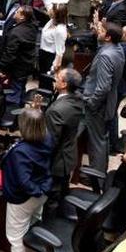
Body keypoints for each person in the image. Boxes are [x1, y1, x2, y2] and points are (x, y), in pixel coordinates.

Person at [0, 103, 53, 252]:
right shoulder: (47, 139)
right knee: (33, 225)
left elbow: (23, 181)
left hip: (24, 198)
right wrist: (36, 113)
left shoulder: (21, 152)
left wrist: (34, 191)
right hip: (42, 192)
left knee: (16, 236)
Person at [80, 22, 125, 172]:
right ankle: (98, 171)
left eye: (101, 30)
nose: (98, 31)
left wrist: (92, 103)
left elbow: (103, 87)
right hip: (110, 101)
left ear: (108, 37)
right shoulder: (118, 49)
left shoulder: (106, 55)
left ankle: (96, 176)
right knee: (102, 139)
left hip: (99, 105)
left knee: (97, 141)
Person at [45, 69, 86, 205]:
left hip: (57, 162)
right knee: (62, 190)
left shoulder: (56, 111)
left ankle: (51, 223)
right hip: (69, 153)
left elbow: (50, 142)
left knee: (52, 198)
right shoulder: (78, 98)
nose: (55, 77)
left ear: (64, 85)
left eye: (58, 77)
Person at [1, 5, 38, 115]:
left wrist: (3, 69)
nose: (15, 13)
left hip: (17, 69)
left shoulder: (16, 33)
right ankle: (18, 119)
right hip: (26, 66)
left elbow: (10, 55)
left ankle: (9, 121)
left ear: (22, 17)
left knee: (13, 95)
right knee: (21, 90)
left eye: (17, 12)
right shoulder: (32, 27)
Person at [36, 3, 68, 76]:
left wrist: (53, 68)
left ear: (56, 14)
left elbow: (60, 52)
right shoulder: (51, 21)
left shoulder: (60, 30)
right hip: (43, 54)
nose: (50, 10)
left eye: (52, 9)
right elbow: (47, 3)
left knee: (47, 83)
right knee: (41, 80)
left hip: (50, 58)